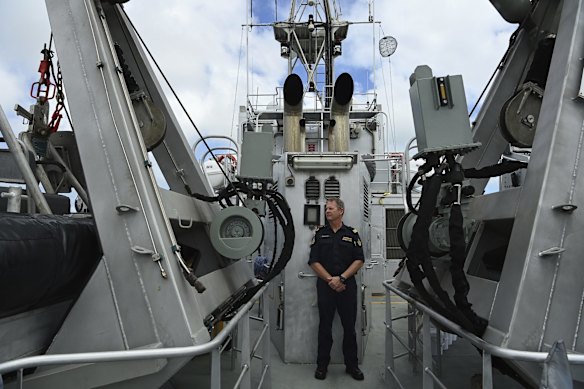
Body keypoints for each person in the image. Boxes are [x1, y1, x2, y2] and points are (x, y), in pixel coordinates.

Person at [308, 197, 365, 381]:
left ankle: (352, 366)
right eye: (326, 209)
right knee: (325, 327)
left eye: (331, 208)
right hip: (326, 287)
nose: (327, 211)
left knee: (349, 328)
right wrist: (330, 280)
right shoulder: (320, 234)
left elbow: (359, 260)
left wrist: (341, 278)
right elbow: (313, 261)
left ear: (341, 211)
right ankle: (322, 366)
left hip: (347, 287)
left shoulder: (352, 234)